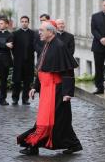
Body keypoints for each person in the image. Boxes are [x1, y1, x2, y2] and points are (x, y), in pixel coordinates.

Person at [17, 21, 82, 155]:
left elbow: (68, 71)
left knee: (52, 120)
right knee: (59, 121)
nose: (39, 33)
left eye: (41, 30)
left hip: (56, 91)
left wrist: (67, 93)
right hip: (47, 90)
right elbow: (42, 68)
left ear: (50, 32)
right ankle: (73, 144)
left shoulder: (59, 46)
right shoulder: (46, 44)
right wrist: (35, 87)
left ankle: (33, 145)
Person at [12, 16, 35, 105]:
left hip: (29, 61)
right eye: (22, 21)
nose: (24, 23)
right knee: (16, 81)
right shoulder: (15, 33)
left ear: (28, 23)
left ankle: (25, 99)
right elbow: (12, 47)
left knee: (27, 81)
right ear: (20, 22)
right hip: (18, 61)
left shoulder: (33, 33)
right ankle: (15, 98)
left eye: (26, 21)